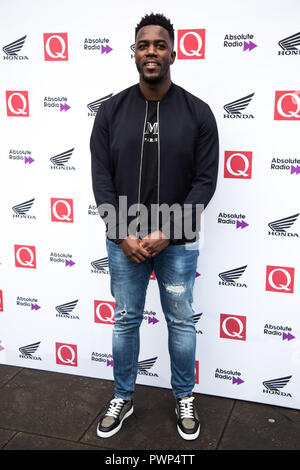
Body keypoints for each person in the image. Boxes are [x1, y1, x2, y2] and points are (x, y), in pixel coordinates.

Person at [90, 12, 219, 441]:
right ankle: (123, 396)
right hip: (123, 238)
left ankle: (184, 396)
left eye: (159, 45)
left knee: (180, 321)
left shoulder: (198, 112)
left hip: (177, 240)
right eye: (143, 45)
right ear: (134, 53)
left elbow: (205, 181)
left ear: (173, 52)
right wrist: (122, 231)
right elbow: (101, 178)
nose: (151, 52)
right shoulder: (111, 110)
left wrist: (167, 230)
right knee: (126, 319)